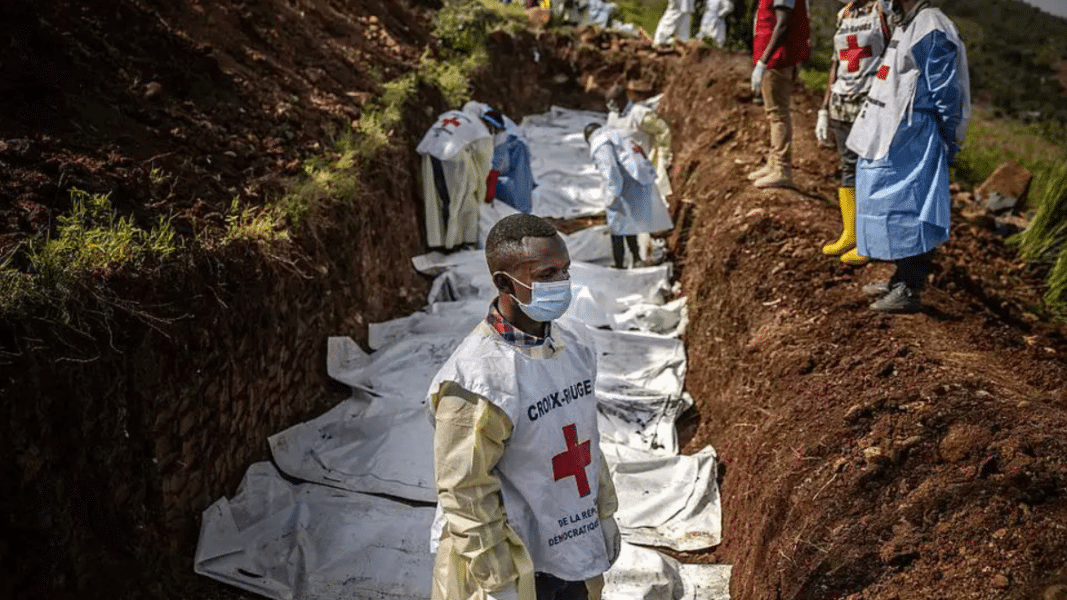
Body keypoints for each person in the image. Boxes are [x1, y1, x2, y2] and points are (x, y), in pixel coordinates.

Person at [427, 213, 621, 600]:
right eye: (546, 274)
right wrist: (498, 578)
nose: (562, 283)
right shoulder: (476, 381)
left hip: (575, 545)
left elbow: (585, 438)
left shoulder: (575, 348)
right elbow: (465, 490)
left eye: (565, 271)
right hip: (520, 560)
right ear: (504, 282)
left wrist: (604, 511)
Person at [846, 0, 970, 313]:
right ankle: (898, 277)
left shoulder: (931, 26)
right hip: (894, 133)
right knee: (890, 206)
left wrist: (949, 137)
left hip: (915, 136)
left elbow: (946, 90)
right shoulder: (907, 21)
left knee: (912, 210)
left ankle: (909, 287)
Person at [815, 0, 891, 265]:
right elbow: (836, 64)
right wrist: (824, 107)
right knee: (848, 167)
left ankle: (871, 240)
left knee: (871, 169)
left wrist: (881, 89)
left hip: (870, 103)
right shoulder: (844, 14)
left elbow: (894, 55)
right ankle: (851, 233)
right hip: (841, 102)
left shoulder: (884, 10)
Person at [584, 123, 674, 269]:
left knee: (617, 228)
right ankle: (636, 257)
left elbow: (610, 171)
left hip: (622, 186)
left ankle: (619, 265)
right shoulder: (616, 133)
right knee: (629, 224)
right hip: (637, 181)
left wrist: (612, 195)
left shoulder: (600, 142)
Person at [748, 0, 811, 189]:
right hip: (776, 58)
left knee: (778, 115)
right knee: (773, 114)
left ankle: (782, 169)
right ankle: (774, 163)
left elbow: (783, 23)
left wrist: (763, 62)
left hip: (777, 59)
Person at [418, 109, 495, 249]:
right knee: (457, 201)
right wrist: (482, 192)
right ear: (490, 125)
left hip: (430, 149)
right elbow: (483, 163)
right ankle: (453, 243)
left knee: (440, 196)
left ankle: (442, 240)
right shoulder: (482, 131)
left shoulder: (456, 114)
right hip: (451, 159)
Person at [605, 85, 673, 200]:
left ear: (623, 99)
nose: (611, 106)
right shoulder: (612, 117)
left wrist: (664, 155)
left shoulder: (640, 114)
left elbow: (662, 131)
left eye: (614, 102)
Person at [476, 107, 537, 214]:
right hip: (505, 150)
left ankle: (522, 210)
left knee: (518, 182)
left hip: (516, 149)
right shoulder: (476, 124)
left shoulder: (503, 138)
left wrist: (491, 176)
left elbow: (496, 164)